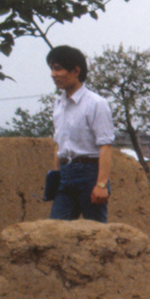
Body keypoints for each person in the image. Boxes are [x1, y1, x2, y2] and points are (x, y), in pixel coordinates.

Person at [46, 45, 115, 222]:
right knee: (55, 231)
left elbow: (106, 146)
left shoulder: (96, 104)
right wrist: (56, 175)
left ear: (76, 70)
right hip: (65, 174)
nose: (53, 74)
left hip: (89, 173)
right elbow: (58, 144)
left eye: (58, 68)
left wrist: (101, 184)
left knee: (96, 232)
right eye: (52, 69)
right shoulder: (58, 105)